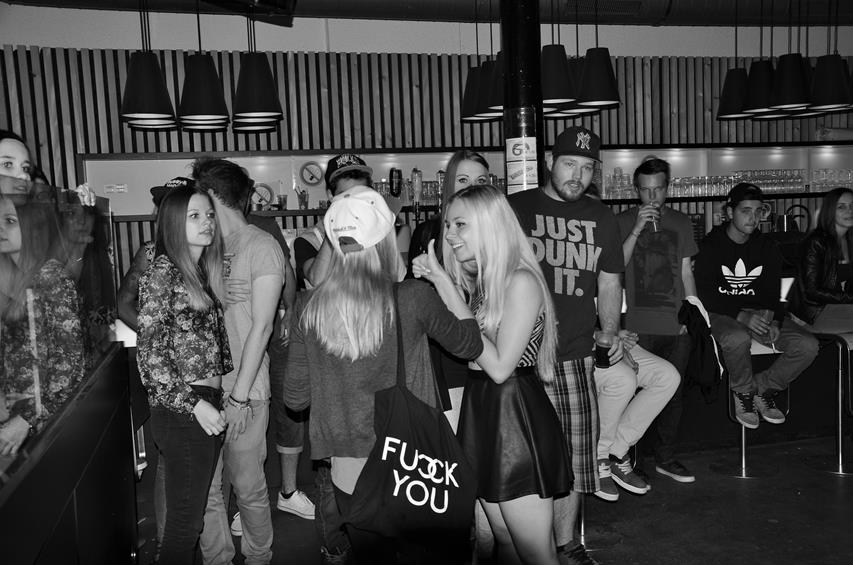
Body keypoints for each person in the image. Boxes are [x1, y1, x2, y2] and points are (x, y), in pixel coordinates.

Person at [285, 188, 484, 564]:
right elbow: (470, 344)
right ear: (384, 242)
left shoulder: (308, 308)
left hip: (349, 473)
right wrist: (441, 279)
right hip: (411, 465)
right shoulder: (413, 297)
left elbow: (295, 399)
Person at [413, 184, 572, 565]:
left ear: (489, 225)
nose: (449, 234)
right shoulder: (488, 282)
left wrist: (443, 283)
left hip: (514, 414)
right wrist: (444, 282)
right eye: (448, 225)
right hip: (484, 408)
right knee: (504, 541)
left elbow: (500, 367)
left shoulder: (521, 281)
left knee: (536, 552)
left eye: (460, 225)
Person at [509, 125, 624, 565]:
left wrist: (610, 329)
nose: (578, 175)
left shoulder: (602, 217)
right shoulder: (516, 208)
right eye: (569, 164)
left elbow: (609, 280)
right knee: (519, 460)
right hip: (518, 357)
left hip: (574, 356)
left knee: (576, 459)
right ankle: (523, 548)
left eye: (587, 167)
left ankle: (567, 546)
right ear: (548, 162)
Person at [136, 184, 231, 564]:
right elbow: (150, 355)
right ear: (174, 222)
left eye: (209, 214)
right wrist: (195, 404)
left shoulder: (194, 271)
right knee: (184, 526)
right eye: (194, 216)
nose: (206, 222)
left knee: (189, 520)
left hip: (199, 404)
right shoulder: (163, 271)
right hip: (183, 409)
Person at [196, 158, 284, 565]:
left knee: (248, 488)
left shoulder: (261, 246)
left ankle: (259, 557)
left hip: (244, 391)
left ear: (213, 195)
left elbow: (262, 327)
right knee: (208, 491)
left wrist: (239, 397)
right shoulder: (205, 247)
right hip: (204, 389)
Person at [694, 183, 819, 429]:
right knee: (737, 338)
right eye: (745, 211)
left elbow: (774, 292)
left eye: (758, 211)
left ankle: (763, 388)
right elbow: (704, 294)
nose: (753, 218)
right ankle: (743, 393)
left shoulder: (766, 246)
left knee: (807, 345)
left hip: (759, 314)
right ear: (729, 212)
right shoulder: (710, 245)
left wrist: (776, 320)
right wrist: (740, 315)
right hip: (720, 313)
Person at [616, 157, 699, 484]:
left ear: (668, 188)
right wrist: (636, 228)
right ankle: (625, 459)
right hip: (637, 326)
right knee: (628, 392)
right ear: (635, 190)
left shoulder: (681, 222)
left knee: (673, 395)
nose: (652, 197)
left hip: (676, 323)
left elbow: (686, 272)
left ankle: (665, 458)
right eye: (645, 190)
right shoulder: (622, 221)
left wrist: (693, 314)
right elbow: (613, 267)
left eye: (658, 189)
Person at [407, 149, 490, 430]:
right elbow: (416, 304)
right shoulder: (430, 234)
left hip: (493, 362)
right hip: (446, 362)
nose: (472, 188)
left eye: (481, 181)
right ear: (449, 186)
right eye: (463, 180)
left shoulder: (499, 238)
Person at [0, 194, 85, 454]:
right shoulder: (10, 276)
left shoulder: (51, 276)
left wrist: (28, 418)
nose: (1, 228)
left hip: (44, 421)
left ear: (30, 226)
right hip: (13, 409)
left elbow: (71, 361)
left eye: (10, 221)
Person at [301, 153, 409, 286]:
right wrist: (335, 227)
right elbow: (317, 280)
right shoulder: (307, 240)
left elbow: (397, 278)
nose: (353, 203)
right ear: (330, 196)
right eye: (346, 196)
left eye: (360, 194)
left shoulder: (378, 232)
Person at [793, 187, 853, 333]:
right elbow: (812, 291)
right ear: (830, 211)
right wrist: (850, 298)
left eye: (852, 206)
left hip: (842, 308)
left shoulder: (849, 240)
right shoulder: (816, 242)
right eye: (841, 207)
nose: (849, 211)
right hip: (816, 313)